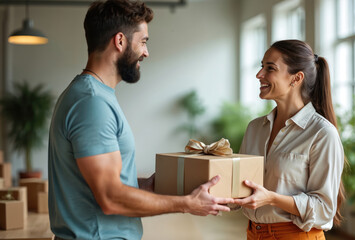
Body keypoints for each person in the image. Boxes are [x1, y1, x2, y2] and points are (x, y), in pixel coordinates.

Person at [48, 0, 233, 239]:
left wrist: (148, 186)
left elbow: (101, 184)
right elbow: (110, 197)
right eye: (143, 41)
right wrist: (186, 203)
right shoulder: (91, 103)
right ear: (120, 41)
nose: (146, 52)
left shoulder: (94, 95)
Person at [234, 40, 345, 240]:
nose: (259, 75)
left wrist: (272, 199)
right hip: (253, 234)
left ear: (296, 78)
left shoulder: (322, 133)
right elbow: (243, 188)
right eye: (261, 67)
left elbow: (324, 209)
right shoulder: (255, 128)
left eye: (270, 68)